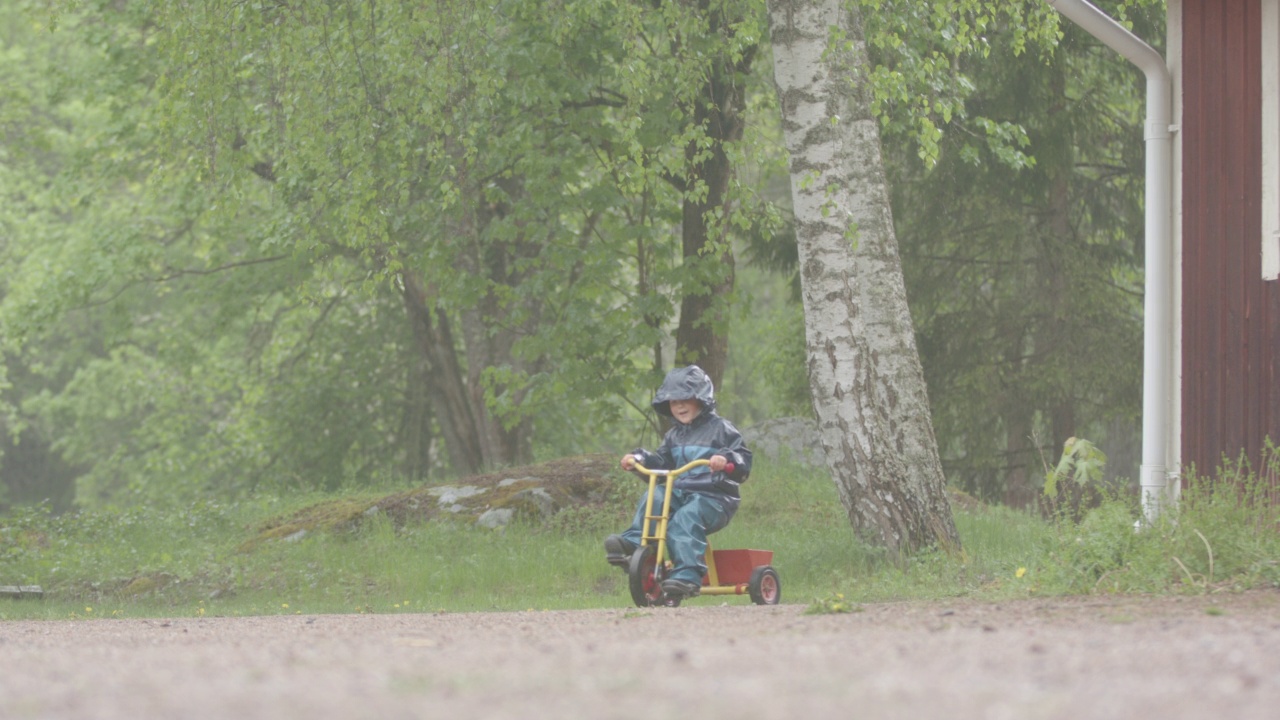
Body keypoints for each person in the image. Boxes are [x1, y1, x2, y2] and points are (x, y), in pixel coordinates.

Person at [604, 365, 752, 599]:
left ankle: (688, 574)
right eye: (673, 402)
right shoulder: (673, 435)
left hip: (715, 498)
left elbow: (743, 460)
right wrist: (639, 459)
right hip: (682, 492)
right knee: (657, 494)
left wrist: (726, 460)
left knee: (684, 518)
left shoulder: (722, 429)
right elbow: (661, 462)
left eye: (685, 399)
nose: (679, 406)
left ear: (702, 399)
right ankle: (634, 543)